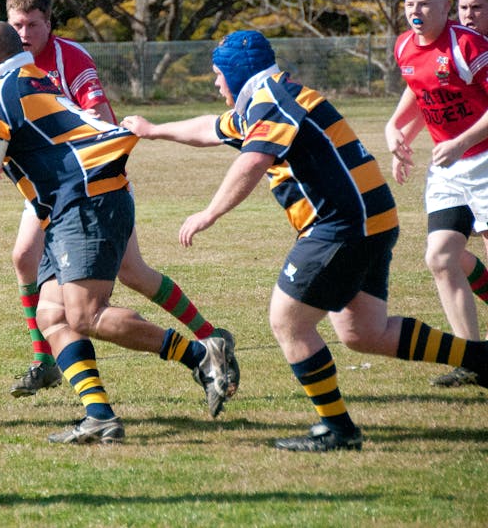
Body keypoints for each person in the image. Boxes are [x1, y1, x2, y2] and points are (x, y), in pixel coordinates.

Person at [124, 29, 488, 452]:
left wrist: (209, 213)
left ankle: (338, 430)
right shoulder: (267, 99)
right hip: (371, 218)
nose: (215, 82)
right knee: (363, 331)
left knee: (288, 320)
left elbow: (254, 160)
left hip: (342, 224)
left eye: (218, 74)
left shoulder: (273, 101)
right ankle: (480, 359)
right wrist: (153, 129)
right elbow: (211, 128)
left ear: (237, 72)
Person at [0, 21, 233, 444]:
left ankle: (202, 354)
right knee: (52, 315)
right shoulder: (28, 77)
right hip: (76, 201)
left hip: (85, 199)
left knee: (88, 315)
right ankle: (99, 415)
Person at [385, 0, 488, 389]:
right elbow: (421, 88)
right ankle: (475, 359)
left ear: (446, 9)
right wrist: (398, 133)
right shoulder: (404, 47)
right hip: (447, 170)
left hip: (483, 163)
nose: (415, 11)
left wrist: (460, 142)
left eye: (426, 4)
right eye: (410, 4)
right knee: (441, 258)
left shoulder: (467, 45)